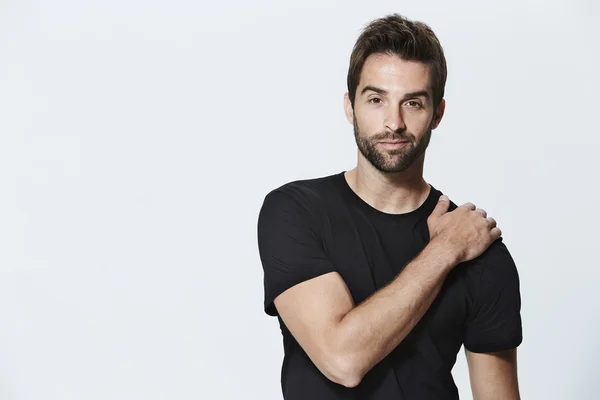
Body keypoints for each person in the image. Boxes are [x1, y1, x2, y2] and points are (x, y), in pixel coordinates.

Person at [257, 13, 522, 400]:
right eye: (376, 99)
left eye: (413, 103)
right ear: (350, 106)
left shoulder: (482, 252)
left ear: (437, 114)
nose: (393, 123)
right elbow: (342, 359)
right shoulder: (295, 212)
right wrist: (445, 251)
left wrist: (460, 248)